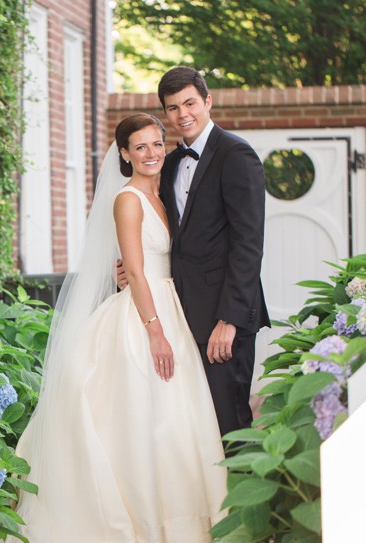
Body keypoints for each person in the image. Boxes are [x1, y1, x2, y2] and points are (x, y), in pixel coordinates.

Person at [0, 114, 227, 543]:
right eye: (139, 147)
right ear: (123, 154)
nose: (151, 152)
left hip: (172, 310)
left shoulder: (166, 197)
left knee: (176, 428)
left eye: (157, 144)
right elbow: (136, 271)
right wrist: (154, 332)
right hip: (145, 321)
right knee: (140, 426)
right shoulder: (127, 199)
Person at [120, 67, 270, 435]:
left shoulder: (237, 154)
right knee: (192, 430)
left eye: (190, 103)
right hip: (180, 316)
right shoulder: (168, 165)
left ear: (207, 101)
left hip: (223, 320)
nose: (182, 114)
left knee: (229, 423)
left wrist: (229, 320)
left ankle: (241, 493)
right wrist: (127, 267)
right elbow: (162, 234)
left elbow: (248, 245)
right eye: (172, 108)